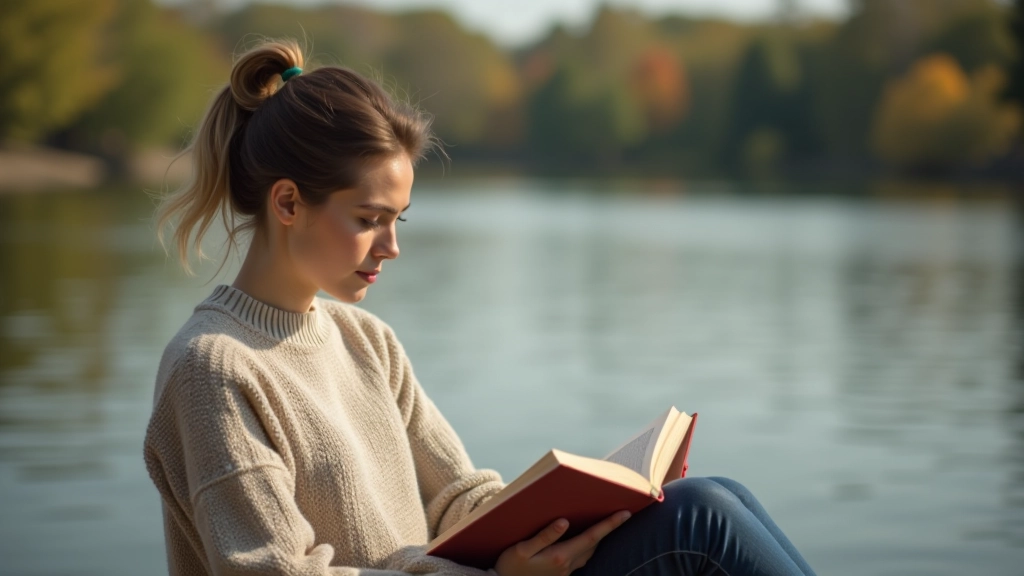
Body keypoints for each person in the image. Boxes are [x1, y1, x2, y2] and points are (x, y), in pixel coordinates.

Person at [143, 38, 818, 576]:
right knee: (702, 522)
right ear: (287, 203)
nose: (393, 246)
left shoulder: (366, 341)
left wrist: (580, 511)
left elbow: (458, 499)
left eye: (400, 218)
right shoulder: (213, 371)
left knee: (709, 498)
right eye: (371, 218)